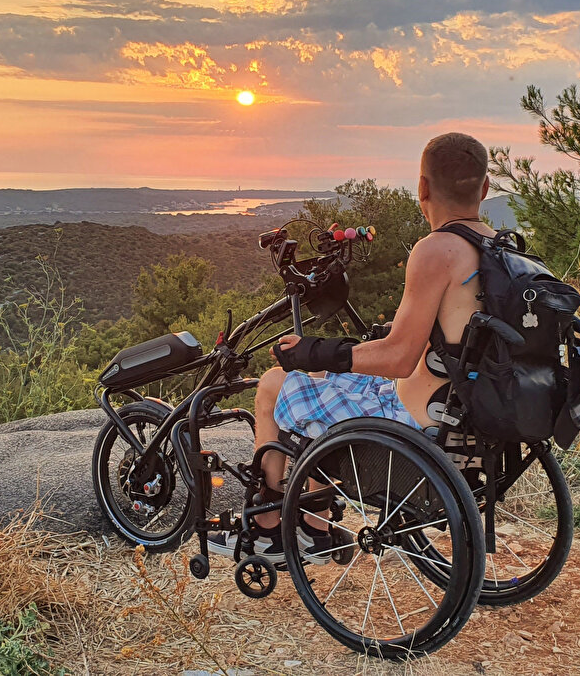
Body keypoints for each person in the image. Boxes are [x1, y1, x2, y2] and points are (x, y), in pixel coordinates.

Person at [209, 132, 495, 562]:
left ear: (422, 188)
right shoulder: (497, 248)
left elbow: (397, 359)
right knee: (327, 383)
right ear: (485, 189)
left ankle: (269, 528)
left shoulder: (437, 251)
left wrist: (315, 352)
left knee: (273, 383)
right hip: (465, 407)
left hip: (412, 417)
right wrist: (340, 360)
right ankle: (316, 529)